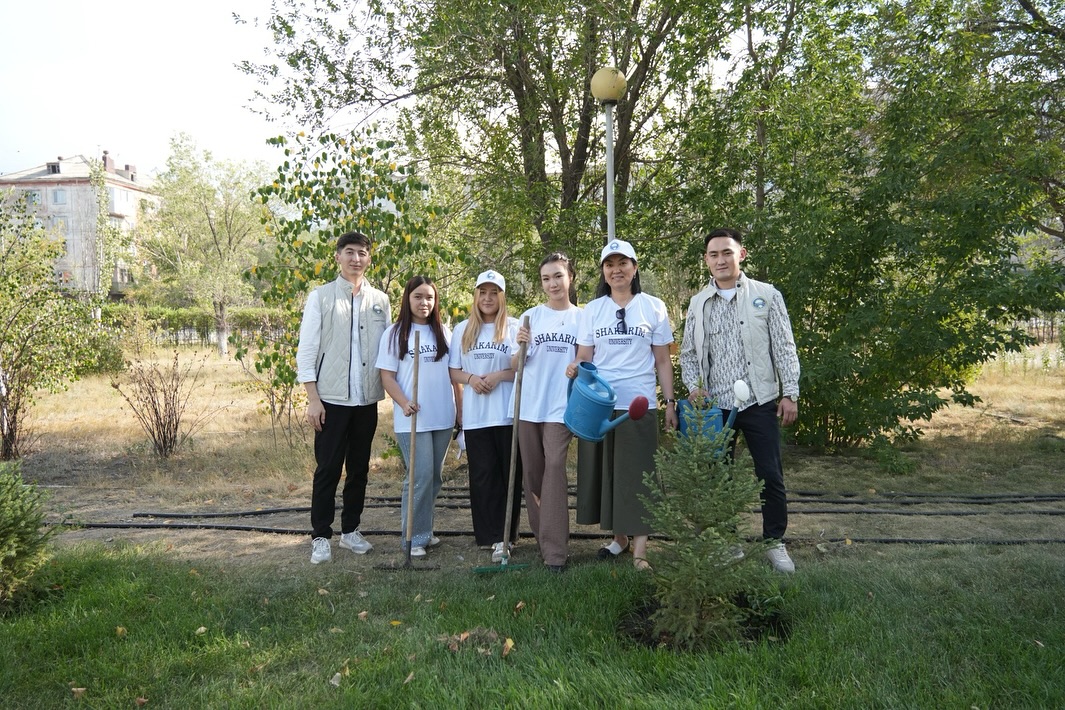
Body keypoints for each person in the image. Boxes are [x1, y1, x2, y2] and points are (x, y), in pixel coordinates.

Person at [679, 227, 801, 574]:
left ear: (741, 255)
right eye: (713, 254)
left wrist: (790, 392)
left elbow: (784, 346)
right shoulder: (698, 303)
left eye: (727, 253)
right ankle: (727, 541)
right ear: (706, 260)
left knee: (770, 474)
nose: (720, 260)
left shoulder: (767, 295)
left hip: (759, 400)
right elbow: (688, 354)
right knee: (719, 476)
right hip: (716, 406)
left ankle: (774, 541)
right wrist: (694, 387)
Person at [570, 239, 678, 570]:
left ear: (634, 268)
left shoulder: (654, 307)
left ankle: (641, 551)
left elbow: (663, 361)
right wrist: (575, 366)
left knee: (639, 476)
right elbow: (585, 356)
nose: (616, 270)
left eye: (623, 263)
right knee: (608, 474)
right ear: (603, 271)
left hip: (638, 404)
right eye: (609, 264)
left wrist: (669, 402)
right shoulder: (592, 310)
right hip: (600, 406)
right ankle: (619, 539)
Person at [297, 231, 391, 565]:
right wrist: (313, 398)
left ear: (369, 259)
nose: (356, 258)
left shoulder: (380, 300)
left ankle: (351, 531)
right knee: (327, 469)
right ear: (338, 256)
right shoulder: (321, 297)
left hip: (366, 401)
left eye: (362, 253)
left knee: (359, 470)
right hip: (331, 401)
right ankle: (321, 536)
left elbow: (389, 349)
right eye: (349, 252)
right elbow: (307, 350)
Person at [376, 276, 460, 557]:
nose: (424, 302)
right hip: (412, 417)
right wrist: (404, 402)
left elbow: (454, 375)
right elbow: (387, 377)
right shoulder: (395, 333)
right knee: (419, 476)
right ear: (407, 299)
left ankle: (424, 530)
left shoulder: (443, 332)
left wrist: (460, 411)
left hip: (442, 415)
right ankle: (411, 538)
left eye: (429, 297)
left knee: (434, 478)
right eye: (418, 296)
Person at [513, 253, 582, 572]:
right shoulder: (530, 316)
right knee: (533, 475)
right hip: (529, 406)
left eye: (557, 276)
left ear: (570, 277)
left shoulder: (582, 318)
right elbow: (515, 364)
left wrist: (578, 365)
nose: (552, 283)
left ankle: (555, 553)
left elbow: (587, 360)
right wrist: (521, 346)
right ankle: (543, 538)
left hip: (561, 406)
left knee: (554, 467)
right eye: (546, 278)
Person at [448, 270, 521, 563]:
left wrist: (498, 376)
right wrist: (471, 379)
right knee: (482, 476)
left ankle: (507, 536)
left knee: (508, 475)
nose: (488, 298)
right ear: (476, 296)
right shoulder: (462, 329)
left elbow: (522, 367)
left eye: (494, 293)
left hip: (506, 414)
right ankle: (489, 535)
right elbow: (453, 371)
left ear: (502, 297)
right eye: (483, 292)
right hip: (476, 416)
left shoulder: (513, 326)